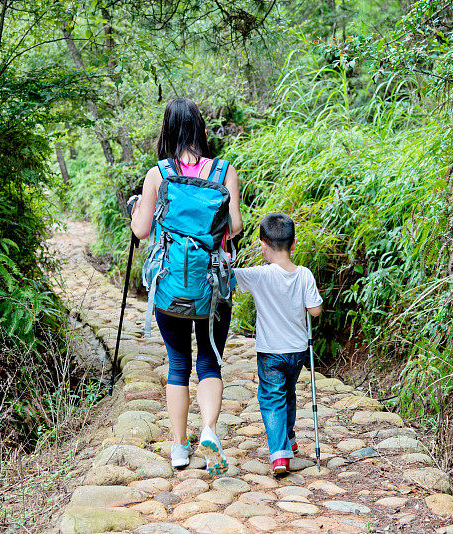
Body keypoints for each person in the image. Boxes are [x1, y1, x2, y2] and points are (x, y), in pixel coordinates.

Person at [128, 98, 243, 475]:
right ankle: (208, 428)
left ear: (168, 130)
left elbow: (141, 230)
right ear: (200, 129)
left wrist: (135, 210)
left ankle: (179, 448)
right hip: (213, 285)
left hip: (169, 283)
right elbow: (236, 227)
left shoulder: (158, 175)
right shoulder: (224, 171)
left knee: (178, 364)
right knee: (209, 362)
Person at [233, 213, 323, 475]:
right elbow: (315, 310)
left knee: (272, 399)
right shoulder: (304, 274)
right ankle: (290, 438)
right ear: (294, 244)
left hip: (270, 352)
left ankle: (280, 456)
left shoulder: (258, 275)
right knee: (288, 394)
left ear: (263, 245)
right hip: (297, 352)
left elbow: (228, 276)